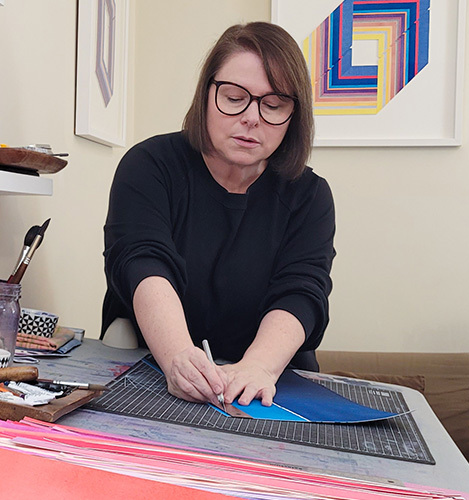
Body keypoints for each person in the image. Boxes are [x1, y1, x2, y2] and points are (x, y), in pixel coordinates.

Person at [101, 22, 335, 409]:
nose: (251, 118)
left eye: (273, 105)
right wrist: (178, 356)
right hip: (155, 371)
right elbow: (143, 262)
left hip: (268, 381)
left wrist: (258, 367)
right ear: (207, 93)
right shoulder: (149, 166)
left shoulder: (309, 196)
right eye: (233, 97)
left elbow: (302, 290)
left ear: (294, 115)